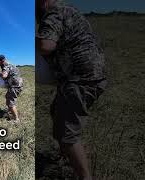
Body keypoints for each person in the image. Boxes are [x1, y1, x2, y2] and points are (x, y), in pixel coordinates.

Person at [37, 0, 107, 180]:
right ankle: (67, 158)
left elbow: (46, 45)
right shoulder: (67, 9)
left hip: (79, 80)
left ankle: (84, 176)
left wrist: (30, 40)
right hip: (89, 76)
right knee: (57, 113)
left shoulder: (52, 13)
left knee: (68, 134)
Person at [0, 55, 23, 124]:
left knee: (10, 102)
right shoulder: (11, 64)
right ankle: (9, 111)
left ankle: (16, 119)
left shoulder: (6, 66)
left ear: (2, 61)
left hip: (14, 86)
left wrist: (0, 75)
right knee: (8, 97)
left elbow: (4, 75)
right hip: (18, 84)